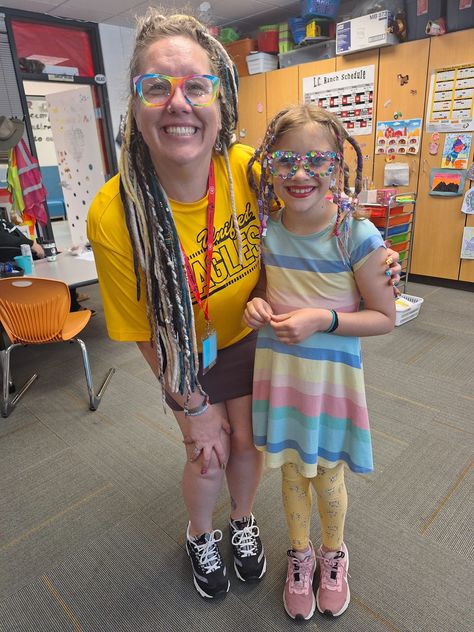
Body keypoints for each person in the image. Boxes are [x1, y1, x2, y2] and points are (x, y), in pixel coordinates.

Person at [87, 10, 400, 601]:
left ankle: (244, 520)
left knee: (249, 443)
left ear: (219, 99)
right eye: (157, 87)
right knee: (207, 450)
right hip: (182, 353)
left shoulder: (243, 169)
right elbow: (138, 327)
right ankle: (200, 533)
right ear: (135, 104)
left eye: (195, 87)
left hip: (250, 341)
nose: (178, 104)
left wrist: (379, 259)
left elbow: (305, 215)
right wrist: (190, 401)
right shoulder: (116, 212)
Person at [244, 104, 396, 621]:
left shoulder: (356, 235)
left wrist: (322, 319)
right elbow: (264, 288)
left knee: (328, 477)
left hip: (329, 384)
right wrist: (257, 304)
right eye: (287, 161)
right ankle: (300, 553)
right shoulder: (265, 230)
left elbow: (383, 318)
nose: (301, 174)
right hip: (282, 378)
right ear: (270, 165)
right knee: (289, 472)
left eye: (317, 160)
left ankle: (334, 554)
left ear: (338, 164)